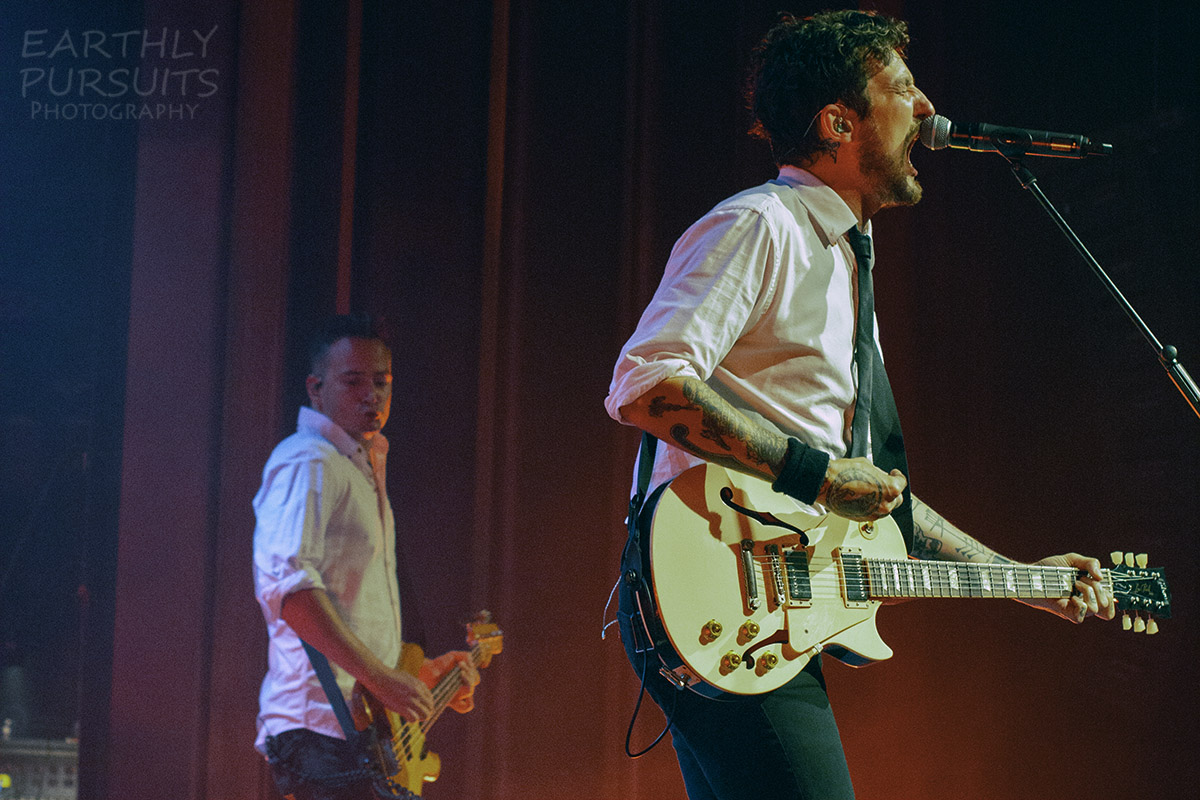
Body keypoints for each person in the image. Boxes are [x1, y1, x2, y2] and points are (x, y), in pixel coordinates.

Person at [605, 11, 1114, 800]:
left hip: (763, 615)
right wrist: (814, 474)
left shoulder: (844, 263)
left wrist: (1019, 578)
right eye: (903, 88)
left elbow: (877, 500)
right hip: (720, 588)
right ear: (839, 124)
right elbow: (645, 383)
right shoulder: (761, 224)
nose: (926, 108)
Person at [253, 313, 479, 800]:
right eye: (353, 381)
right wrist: (379, 677)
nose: (371, 395)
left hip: (352, 733)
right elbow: (289, 591)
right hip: (320, 731)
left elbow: (353, 609)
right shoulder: (309, 460)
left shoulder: (357, 467)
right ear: (315, 389)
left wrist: (414, 676)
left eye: (381, 382)